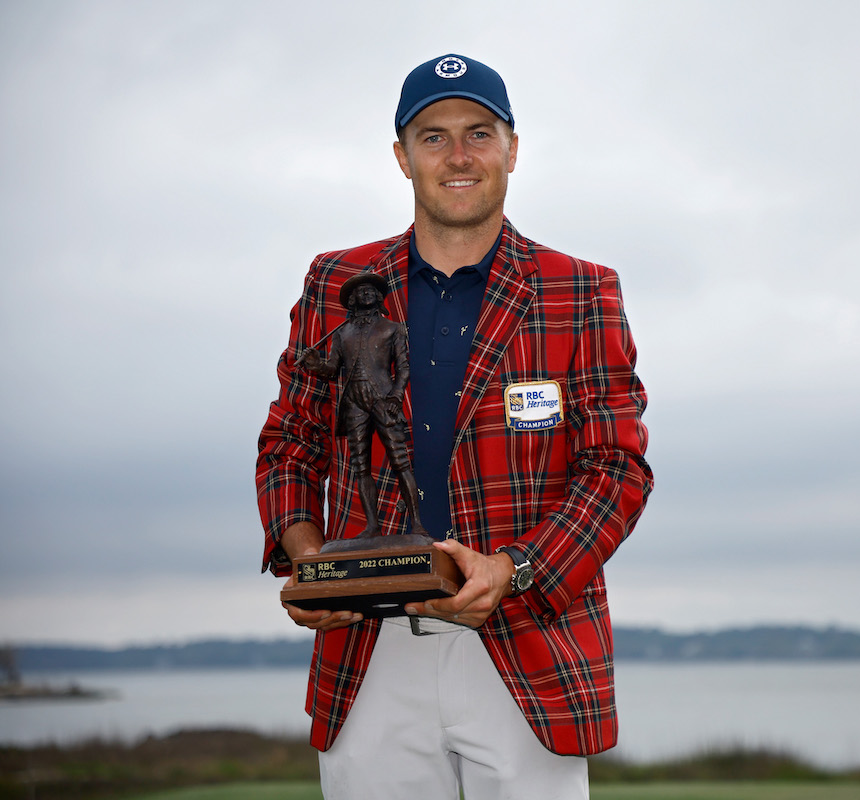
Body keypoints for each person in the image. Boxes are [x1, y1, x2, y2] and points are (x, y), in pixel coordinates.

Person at [255, 53, 653, 799]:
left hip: (526, 645)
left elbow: (617, 470)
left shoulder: (582, 289)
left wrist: (517, 570)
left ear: (512, 148)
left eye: (479, 132)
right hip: (367, 653)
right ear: (402, 156)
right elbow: (290, 442)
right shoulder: (336, 283)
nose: (459, 155)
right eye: (433, 137)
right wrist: (311, 560)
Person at [295, 271, 429, 541]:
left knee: (400, 461)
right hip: (354, 400)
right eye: (360, 292)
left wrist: (395, 396)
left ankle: (417, 525)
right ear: (353, 300)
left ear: (378, 297)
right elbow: (333, 369)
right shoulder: (341, 333)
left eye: (371, 291)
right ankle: (372, 526)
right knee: (360, 465)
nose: (366, 294)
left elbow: (403, 368)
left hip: (382, 398)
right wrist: (315, 364)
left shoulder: (393, 328)